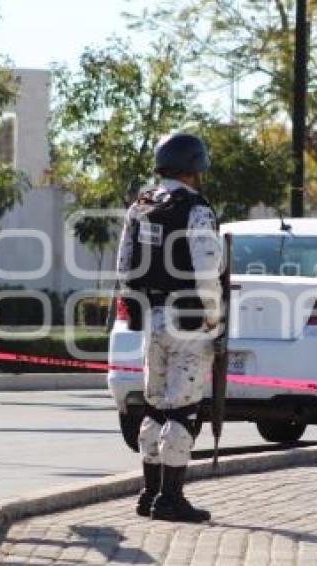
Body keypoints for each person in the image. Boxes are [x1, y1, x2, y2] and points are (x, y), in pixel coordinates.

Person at [116, 132, 222, 523]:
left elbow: (124, 265)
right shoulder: (196, 209)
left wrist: (134, 305)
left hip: (151, 317)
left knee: (155, 405)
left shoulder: (140, 206)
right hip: (188, 319)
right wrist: (214, 319)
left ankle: (148, 493)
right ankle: (170, 499)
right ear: (195, 168)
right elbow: (207, 270)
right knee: (184, 409)